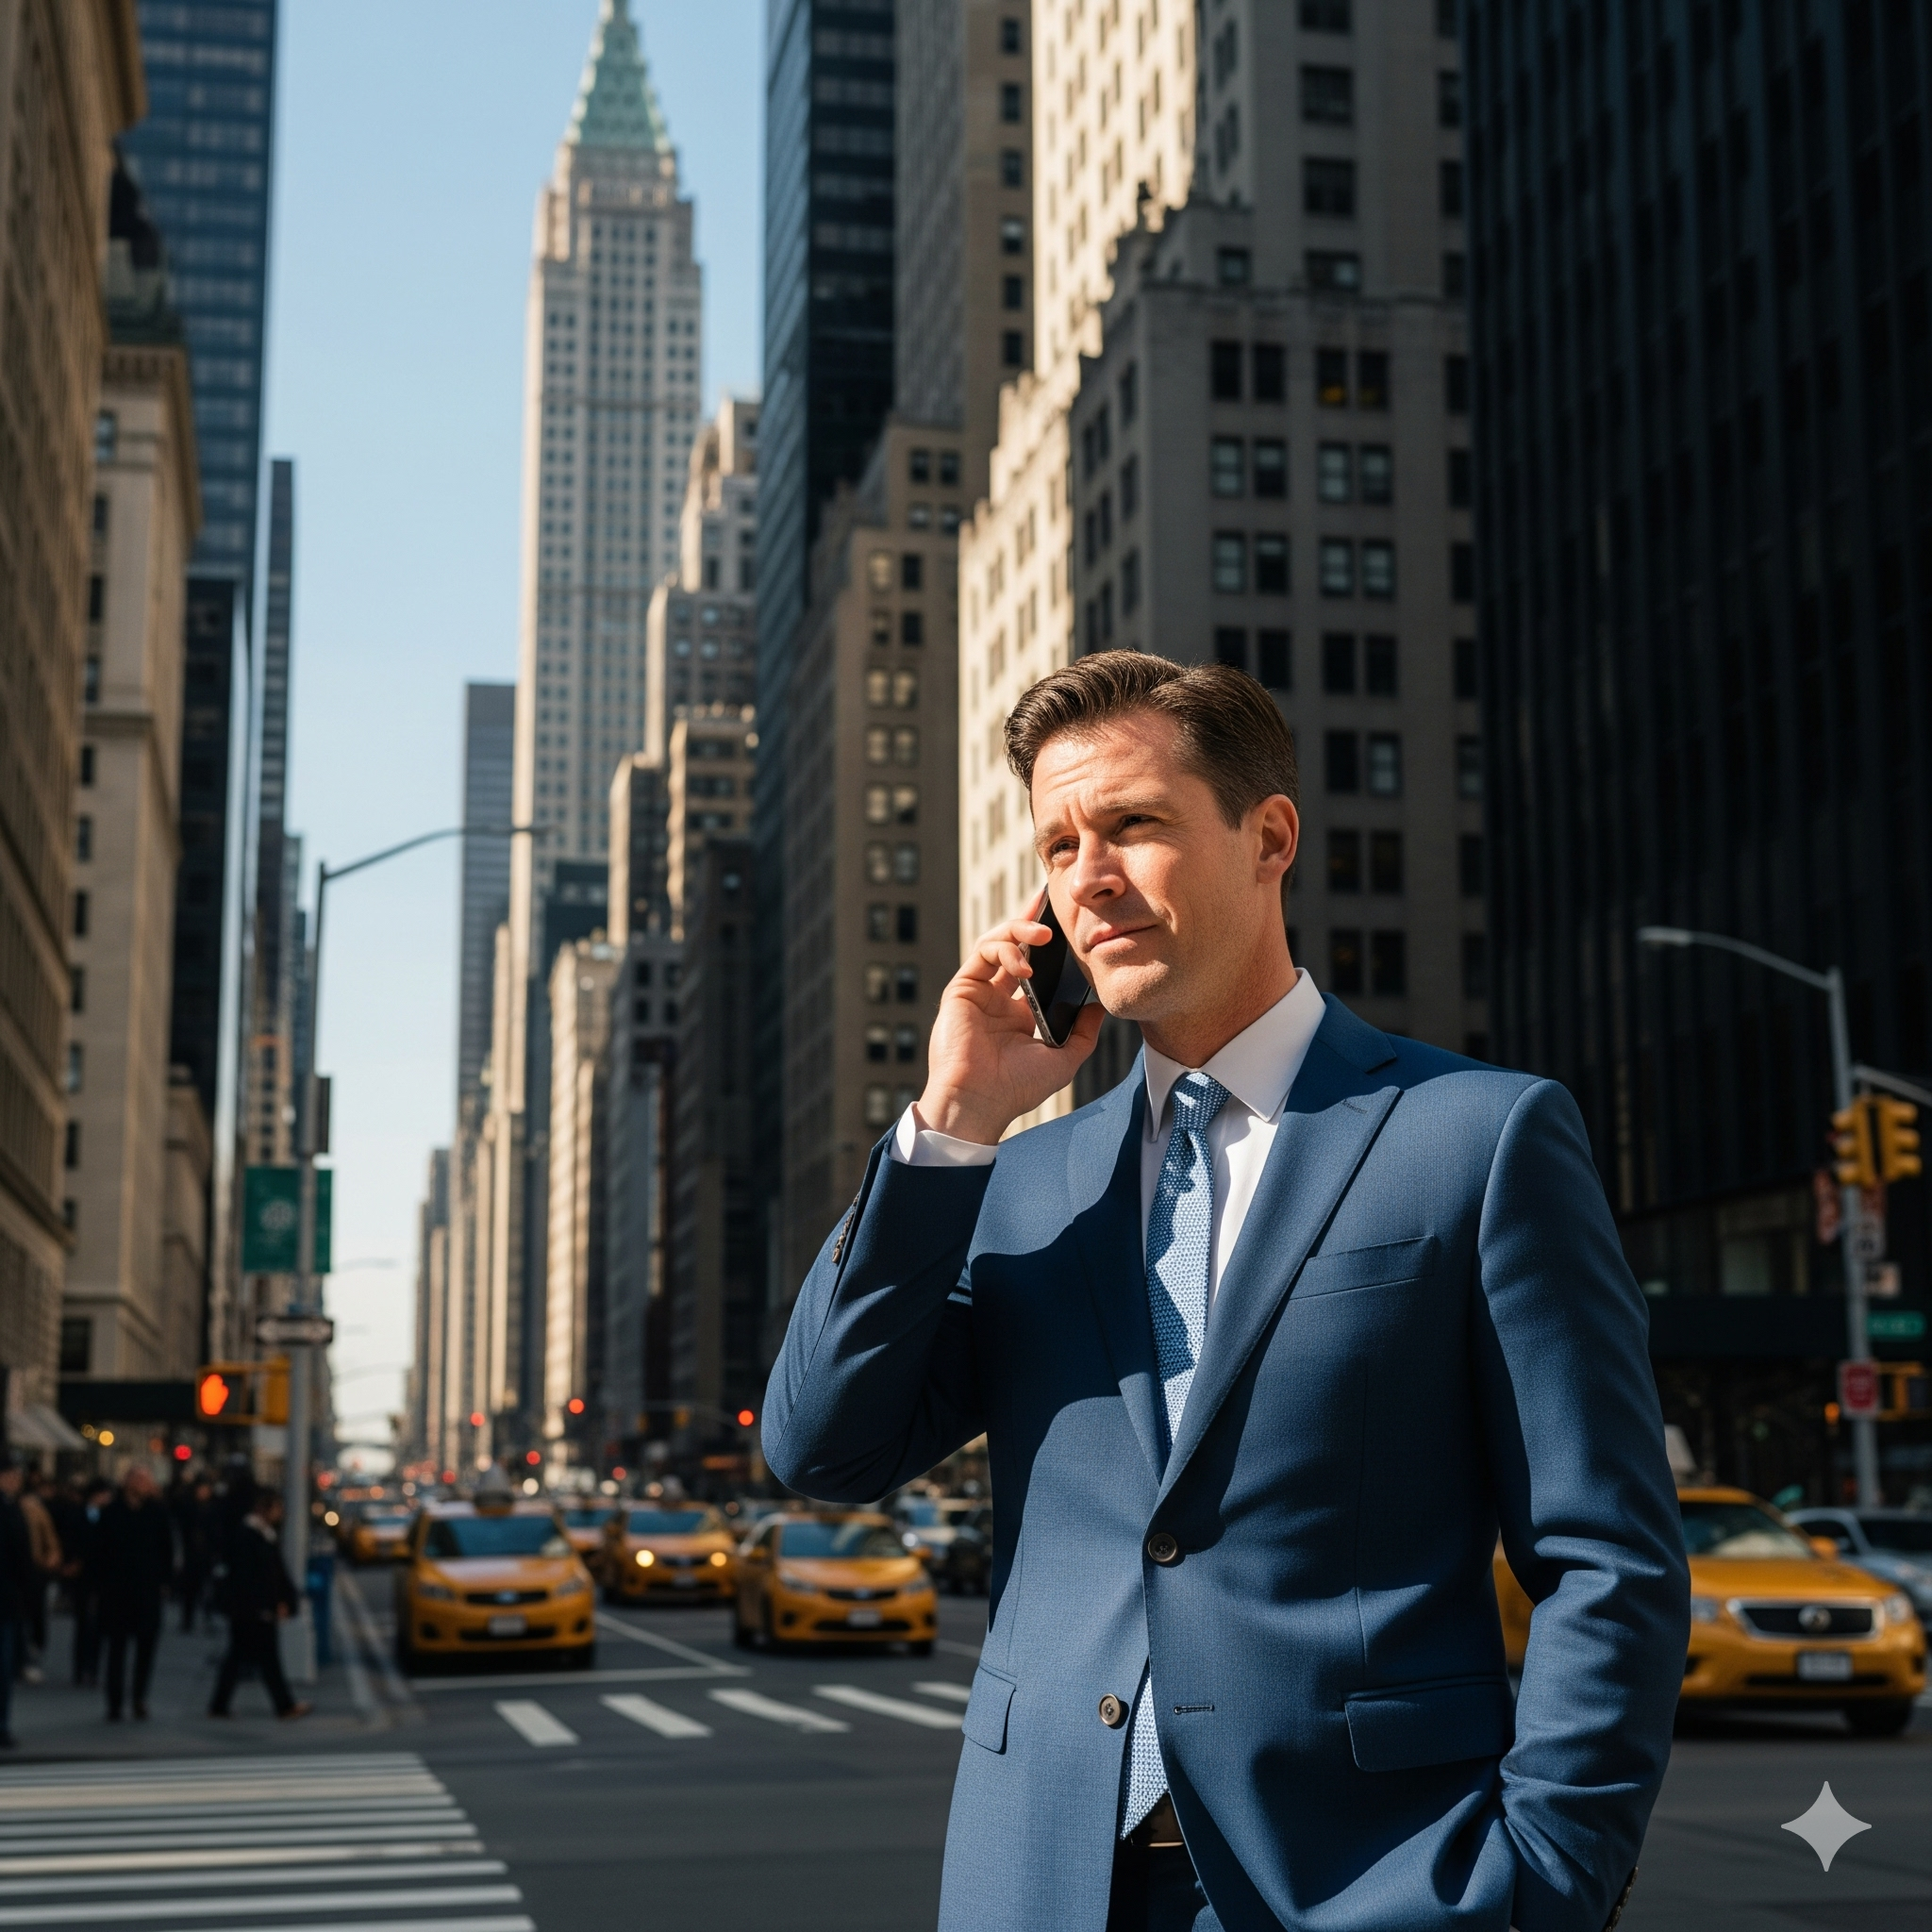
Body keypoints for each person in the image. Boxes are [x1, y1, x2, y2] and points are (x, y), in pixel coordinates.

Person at [763, 656, 1690, 1932]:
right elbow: (822, 1446)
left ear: (1268, 838)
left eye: (1134, 824)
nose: (1088, 876)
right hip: (1039, 1881)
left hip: (1372, 1883)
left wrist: (1543, 1888)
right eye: (1059, 843)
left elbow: (1606, 1556)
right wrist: (954, 1120)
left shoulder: (1478, 1138)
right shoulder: (1017, 1181)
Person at [209, 1489, 310, 1720]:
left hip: (250, 1608)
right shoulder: (250, 1536)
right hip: (253, 1609)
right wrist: (272, 1604)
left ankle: (219, 1704)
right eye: (277, 1508)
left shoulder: (259, 1534)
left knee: (239, 1657)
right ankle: (283, 1705)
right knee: (266, 1658)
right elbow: (258, 1576)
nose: (281, 1514)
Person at [96, 1465, 175, 1720]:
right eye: (138, 1479)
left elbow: (167, 1549)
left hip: (147, 1590)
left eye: (146, 1480)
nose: (143, 1485)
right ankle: (115, 1701)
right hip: (117, 1591)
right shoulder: (111, 1512)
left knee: (145, 1648)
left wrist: (165, 1581)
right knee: (117, 1649)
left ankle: (139, 1697)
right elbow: (100, 1550)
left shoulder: (157, 1513)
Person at [67, 1479, 112, 1687]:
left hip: (101, 1578)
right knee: (83, 1624)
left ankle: (92, 1668)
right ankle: (80, 1668)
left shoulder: (110, 1516)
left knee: (97, 1627)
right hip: (84, 1577)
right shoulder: (78, 1514)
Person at [17, 1473, 61, 1684]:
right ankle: (26, 1657)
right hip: (29, 1570)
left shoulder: (33, 1509)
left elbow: (50, 1539)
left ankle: (27, 1657)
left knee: (29, 1615)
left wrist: (49, 1559)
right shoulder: (33, 1508)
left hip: (32, 1569)